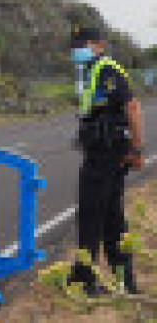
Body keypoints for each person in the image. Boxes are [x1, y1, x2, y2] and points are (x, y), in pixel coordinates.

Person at [67, 24, 144, 296]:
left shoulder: (107, 68)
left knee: (92, 214)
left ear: (99, 45)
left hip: (107, 153)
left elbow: (132, 107)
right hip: (103, 151)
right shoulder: (90, 71)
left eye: (82, 44)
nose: (76, 50)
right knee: (111, 216)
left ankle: (86, 279)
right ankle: (124, 280)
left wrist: (137, 149)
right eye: (74, 46)